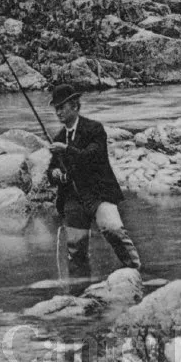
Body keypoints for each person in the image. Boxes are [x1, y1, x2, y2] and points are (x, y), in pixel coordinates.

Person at [47, 84, 141, 274]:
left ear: (75, 106)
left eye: (62, 107)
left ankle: (135, 270)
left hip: (99, 193)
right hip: (73, 198)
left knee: (113, 230)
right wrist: (54, 173)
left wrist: (66, 149)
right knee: (75, 249)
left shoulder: (94, 129)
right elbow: (51, 169)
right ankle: (80, 285)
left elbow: (92, 156)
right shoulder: (59, 137)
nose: (58, 112)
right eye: (56, 108)